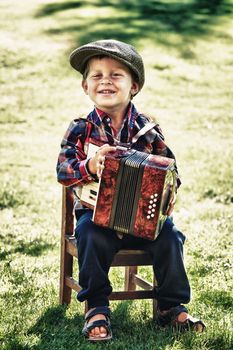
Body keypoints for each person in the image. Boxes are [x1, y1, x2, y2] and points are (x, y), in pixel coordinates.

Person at [56, 39, 205, 342]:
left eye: (115, 75)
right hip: (96, 217)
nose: (105, 81)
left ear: (133, 86)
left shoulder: (147, 130)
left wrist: (168, 193)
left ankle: (170, 305)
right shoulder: (80, 129)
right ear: (85, 87)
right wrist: (90, 166)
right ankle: (96, 307)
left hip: (143, 220)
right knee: (89, 236)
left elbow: (171, 170)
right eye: (96, 76)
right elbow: (64, 170)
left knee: (171, 238)